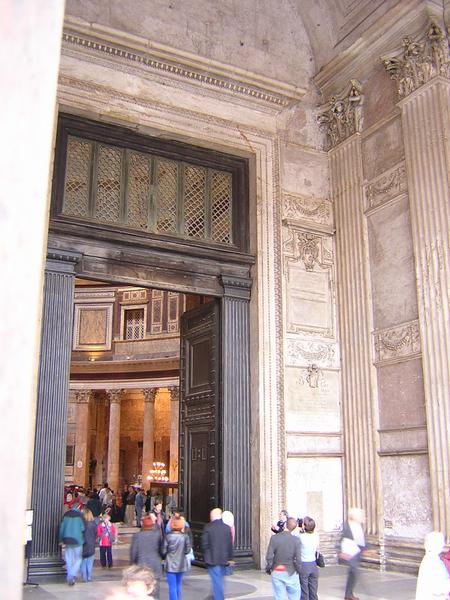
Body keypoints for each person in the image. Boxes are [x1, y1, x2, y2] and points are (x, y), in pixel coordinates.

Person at [265, 516, 301, 600]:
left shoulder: (274, 538)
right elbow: (298, 558)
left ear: (284, 525)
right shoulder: (296, 540)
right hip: (291, 570)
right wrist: (299, 570)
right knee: (294, 595)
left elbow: (269, 556)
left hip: (277, 570)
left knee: (279, 596)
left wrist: (269, 567)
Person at [201, 508, 234, 600]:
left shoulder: (208, 527)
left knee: (217, 583)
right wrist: (230, 558)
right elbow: (230, 544)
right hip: (224, 560)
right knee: (219, 582)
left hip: (212, 560)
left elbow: (204, 544)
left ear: (212, 516)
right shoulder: (227, 528)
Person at [130, 513, 163, 598]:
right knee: (155, 589)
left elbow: (134, 552)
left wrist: (133, 565)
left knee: (142, 589)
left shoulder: (137, 536)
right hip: (155, 565)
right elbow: (162, 551)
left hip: (142, 565)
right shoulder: (157, 534)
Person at [162, 515, 191, 600]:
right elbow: (187, 550)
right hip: (181, 564)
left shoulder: (168, 536)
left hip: (170, 564)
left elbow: (163, 551)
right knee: (178, 585)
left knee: (172, 587)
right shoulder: (185, 536)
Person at [415, 531, 450, 600]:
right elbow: (437, 589)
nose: (443, 544)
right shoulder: (432, 561)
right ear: (435, 544)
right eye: (441, 542)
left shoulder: (431, 558)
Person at [340, 508, 365, 600]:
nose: (363, 517)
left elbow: (361, 540)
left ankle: (348, 594)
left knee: (352, 574)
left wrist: (367, 549)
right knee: (354, 572)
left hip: (357, 553)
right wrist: (341, 551)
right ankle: (348, 594)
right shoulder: (347, 527)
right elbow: (340, 540)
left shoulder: (358, 526)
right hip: (350, 553)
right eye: (361, 515)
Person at [59, 499, 85, 586]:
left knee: (69, 558)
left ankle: (69, 575)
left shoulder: (65, 514)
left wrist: (60, 539)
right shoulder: (81, 515)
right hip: (77, 540)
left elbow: (61, 528)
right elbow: (83, 529)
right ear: (79, 506)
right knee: (78, 558)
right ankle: (73, 574)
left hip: (67, 539)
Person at [298, 516, 320, 600]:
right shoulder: (316, 535)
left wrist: (300, 529)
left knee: (304, 590)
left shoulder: (301, 536)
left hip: (304, 564)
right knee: (313, 589)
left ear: (304, 526)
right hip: (313, 564)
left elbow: (294, 534)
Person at [80, 506, 97, 582]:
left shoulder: (81, 525)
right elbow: (96, 535)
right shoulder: (94, 525)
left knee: (83, 562)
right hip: (91, 545)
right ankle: (89, 576)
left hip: (83, 545)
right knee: (89, 563)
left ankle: (84, 576)